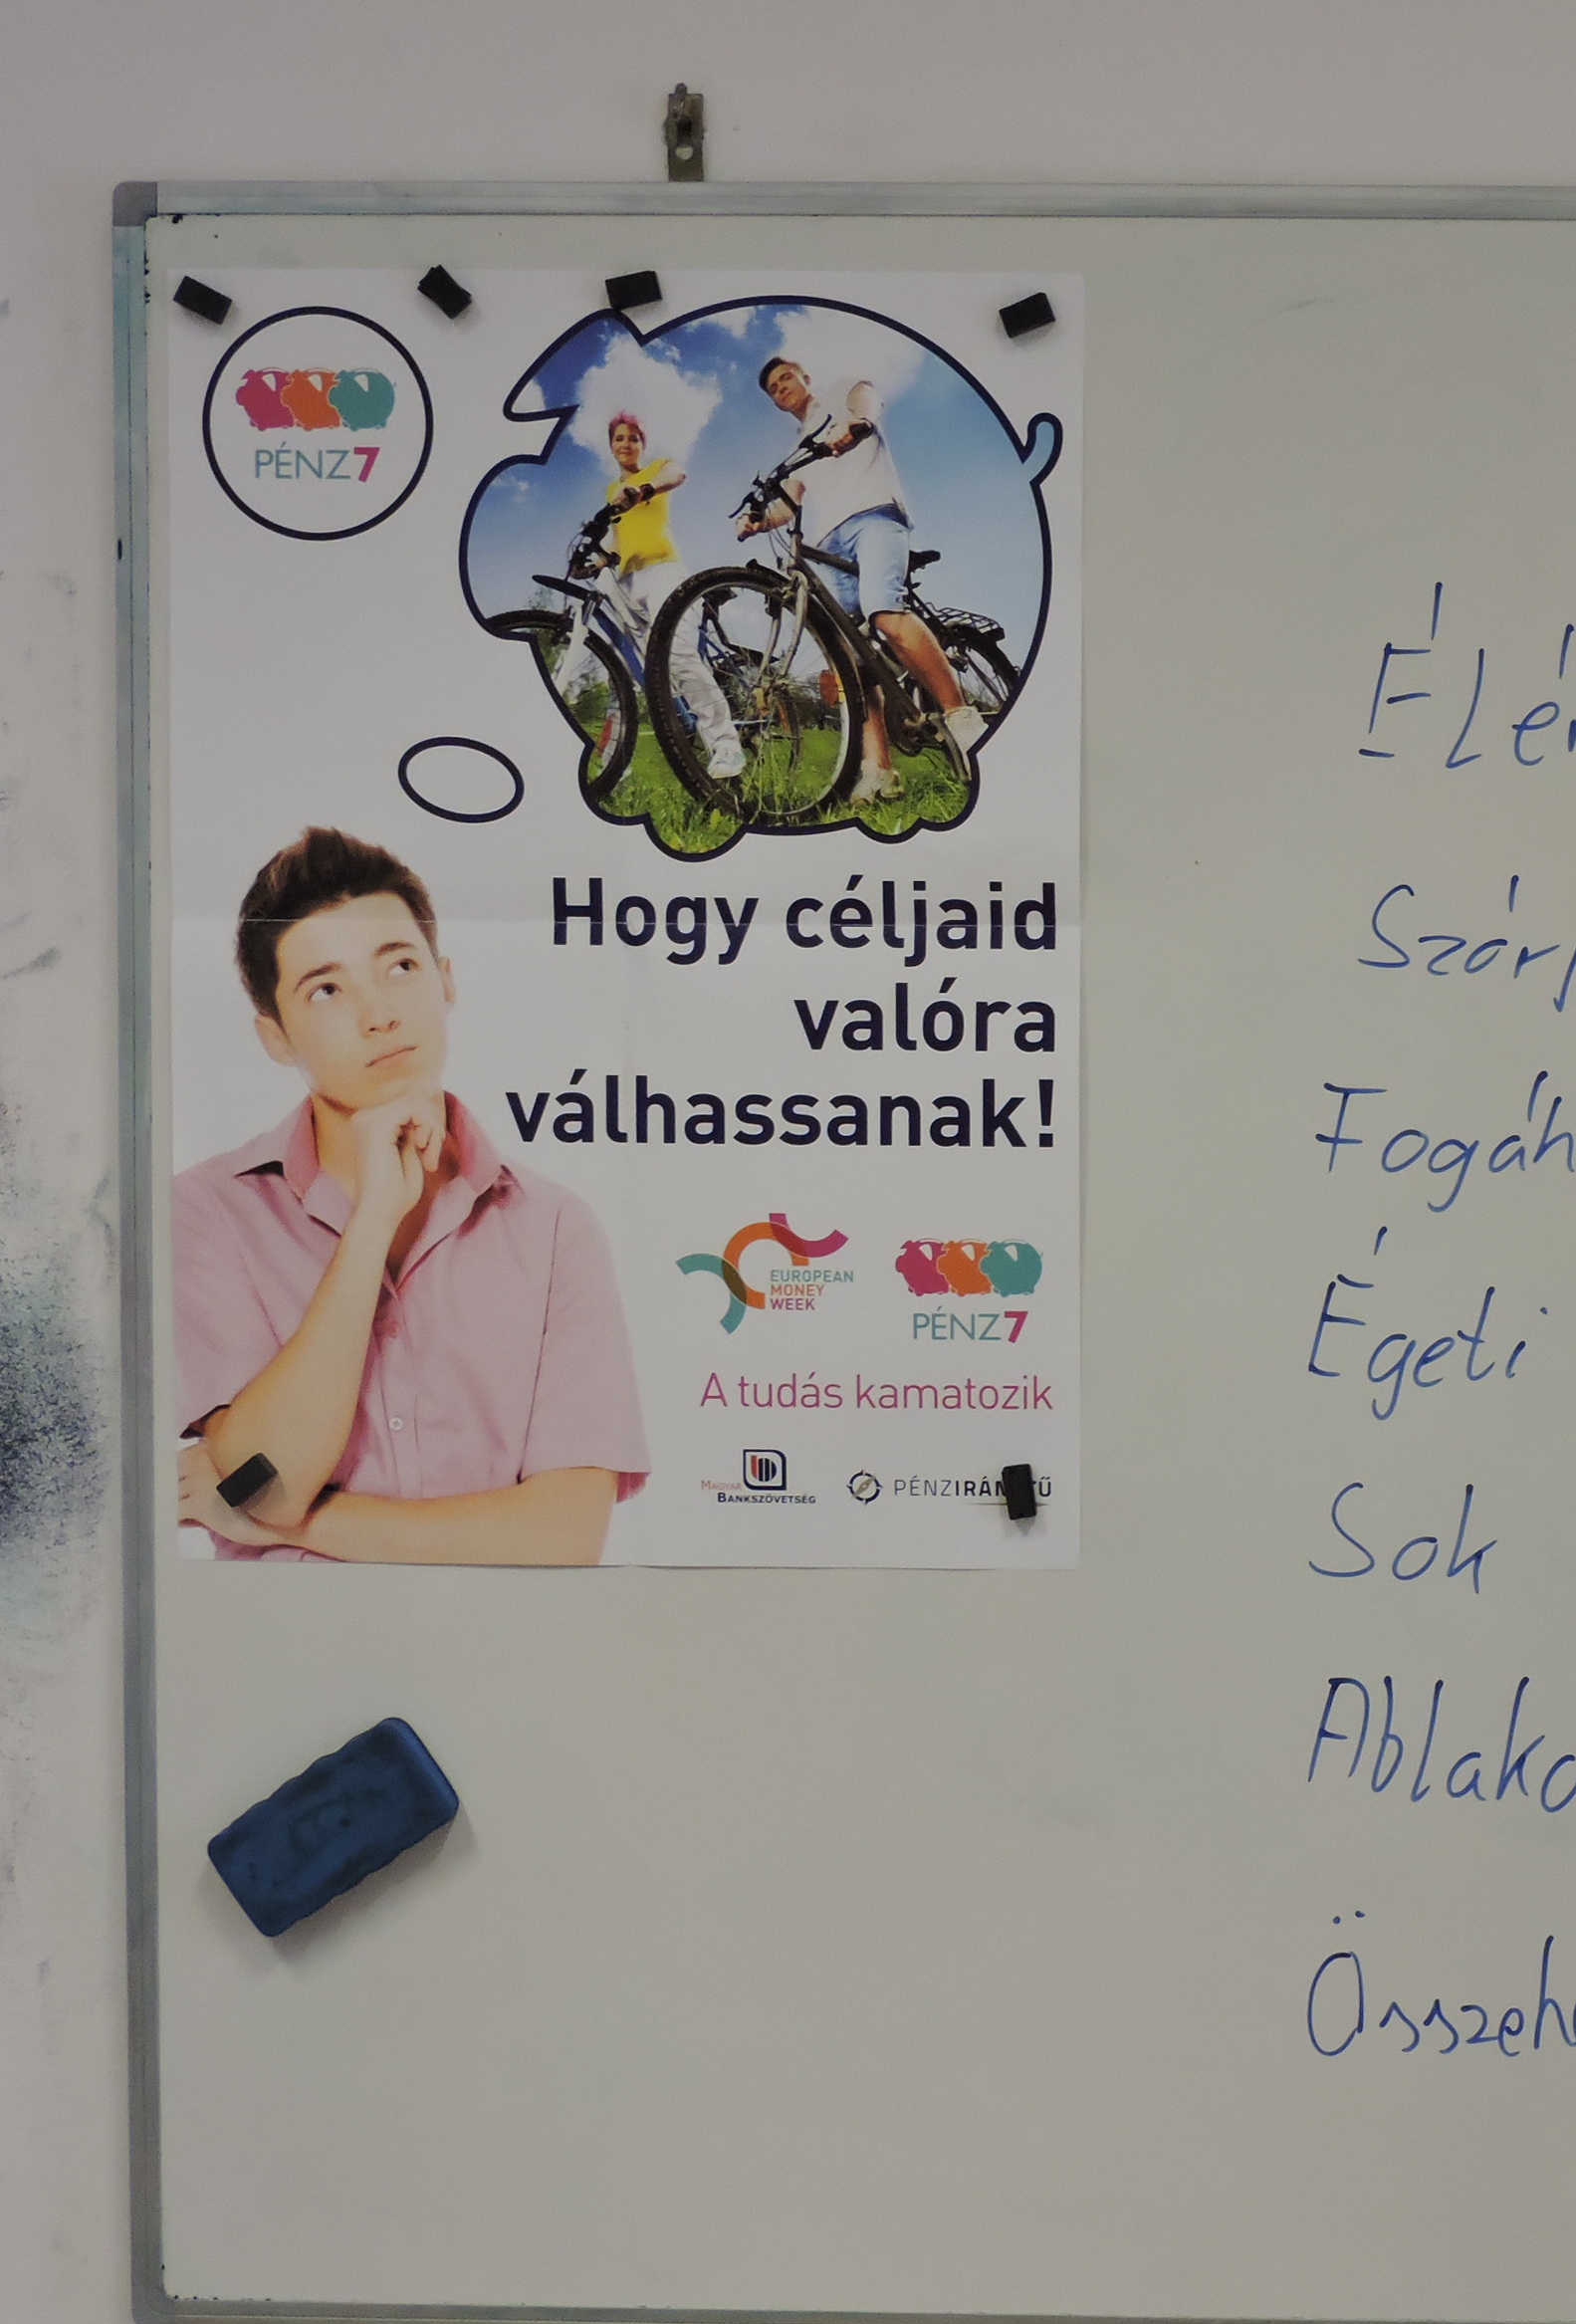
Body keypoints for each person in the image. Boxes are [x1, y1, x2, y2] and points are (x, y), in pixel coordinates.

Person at [173, 828, 648, 1563]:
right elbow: (273, 1478)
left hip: (495, 1638)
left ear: (445, 981)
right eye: (326, 989)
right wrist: (371, 1225)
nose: (380, 1014)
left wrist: (290, 1524)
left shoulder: (554, 1228)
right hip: (284, 1638)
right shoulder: (206, 1212)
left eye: (399, 966)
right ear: (275, 1036)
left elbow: (564, 1536)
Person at [739, 352, 984, 803]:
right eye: (773, 388)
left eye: (786, 377)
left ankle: (962, 719)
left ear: (805, 376)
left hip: (874, 516)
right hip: (829, 544)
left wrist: (857, 424)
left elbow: (867, 401)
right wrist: (759, 520)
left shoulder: (840, 392)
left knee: (883, 612)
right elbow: (787, 506)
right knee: (851, 661)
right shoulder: (799, 449)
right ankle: (878, 770)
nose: (781, 388)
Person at [599, 409, 742, 781]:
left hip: (663, 570)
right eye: (619, 438)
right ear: (611, 446)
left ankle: (726, 744)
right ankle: (612, 764)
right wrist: (596, 559)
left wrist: (643, 490)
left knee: (677, 653)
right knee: (620, 669)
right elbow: (617, 540)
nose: (626, 444)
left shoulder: (655, 470)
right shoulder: (612, 492)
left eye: (633, 438)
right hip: (626, 582)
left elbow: (676, 474)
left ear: (642, 445)